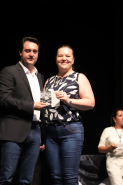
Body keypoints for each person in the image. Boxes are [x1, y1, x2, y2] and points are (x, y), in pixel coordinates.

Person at [0, 37, 47, 185]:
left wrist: (42, 137)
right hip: (13, 130)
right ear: (20, 52)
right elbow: (4, 99)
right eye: (28, 51)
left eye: (35, 51)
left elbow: (42, 107)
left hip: (35, 131)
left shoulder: (40, 76)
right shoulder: (9, 71)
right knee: (6, 177)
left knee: (27, 180)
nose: (31, 54)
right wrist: (32, 106)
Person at [43, 45, 95, 185]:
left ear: (73, 60)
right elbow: (44, 109)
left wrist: (68, 100)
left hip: (71, 130)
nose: (64, 58)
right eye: (60, 56)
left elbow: (91, 103)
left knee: (69, 177)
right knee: (55, 177)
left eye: (67, 56)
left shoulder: (79, 77)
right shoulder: (49, 81)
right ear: (56, 59)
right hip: (50, 133)